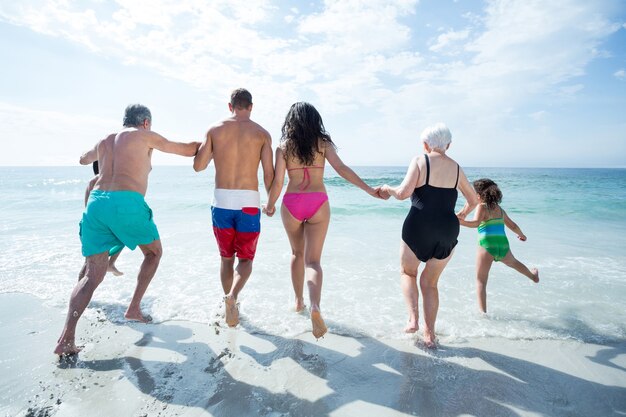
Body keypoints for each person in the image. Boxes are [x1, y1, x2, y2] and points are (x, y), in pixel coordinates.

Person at [54, 104, 201, 356]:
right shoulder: (144, 136)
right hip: (125, 203)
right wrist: (210, 143)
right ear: (145, 122)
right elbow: (186, 150)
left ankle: (66, 337)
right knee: (154, 253)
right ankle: (133, 308)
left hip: (96, 203)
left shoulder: (105, 141)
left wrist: (93, 154)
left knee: (92, 274)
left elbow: (82, 159)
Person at [263, 102, 382, 339]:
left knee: (297, 254)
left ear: (291, 121)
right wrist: (369, 189)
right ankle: (315, 306)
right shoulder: (323, 144)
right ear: (315, 120)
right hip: (318, 202)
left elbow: (277, 182)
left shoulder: (284, 147)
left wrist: (270, 204)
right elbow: (342, 169)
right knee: (314, 262)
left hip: (293, 202)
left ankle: (298, 302)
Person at [380, 123, 477, 348]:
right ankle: (429, 335)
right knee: (430, 283)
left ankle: (413, 320)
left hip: (418, 226)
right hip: (447, 229)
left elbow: (404, 193)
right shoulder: (456, 168)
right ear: (448, 145)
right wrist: (460, 216)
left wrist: (387, 188)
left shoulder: (420, 161)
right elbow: (473, 200)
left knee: (408, 273)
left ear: (425, 145)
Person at [194, 88, 274, 328]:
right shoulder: (262, 134)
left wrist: (206, 146)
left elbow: (199, 166)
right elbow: (269, 174)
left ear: (230, 106)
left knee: (226, 258)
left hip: (221, 204)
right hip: (249, 203)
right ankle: (233, 298)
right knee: (246, 260)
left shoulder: (215, 129)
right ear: (251, 106)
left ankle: (228, 303)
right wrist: (271, 202)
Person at [458, 178, 539, 313]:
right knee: (514, 263)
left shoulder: (481, 207)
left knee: (481, 281)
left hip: (487, 246)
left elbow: (476, 223)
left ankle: (483, 314)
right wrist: (521, 235)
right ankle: (533, 276)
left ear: (478, 196)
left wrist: (460, 222)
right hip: (502, 245)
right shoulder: (499, 209)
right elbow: (512, 225)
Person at [77, 161, 123, 279]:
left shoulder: (92, 182)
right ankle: (111, 263)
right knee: (124, 235)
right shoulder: (102, 181)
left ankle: (78, 294)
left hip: (87, 224)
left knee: (89, 261)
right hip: (100, 226)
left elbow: (88, 206)